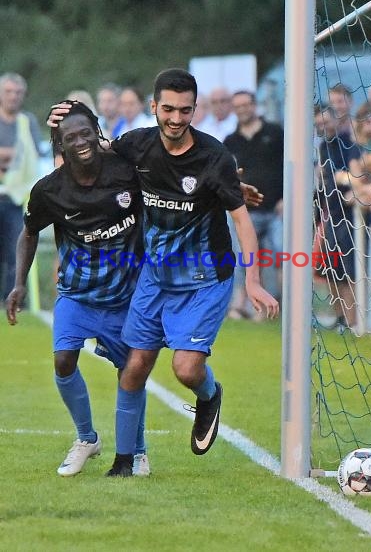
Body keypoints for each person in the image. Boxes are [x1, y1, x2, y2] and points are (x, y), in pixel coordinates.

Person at [105, 68, 279, 474]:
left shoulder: (215, 156)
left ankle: (209, 394)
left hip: (206, 278)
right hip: (156, 275)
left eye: (185, 110)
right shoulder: (136, 144)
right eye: (168, 109)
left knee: (185, 368)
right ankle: (126, 459)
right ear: (154, 107)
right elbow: (94, 156)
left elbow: (243, 224)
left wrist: (253, 281)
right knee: (134, 366)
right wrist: (71, 118)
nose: (176, 118)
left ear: (195, 110)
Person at [6, 100, 149, 478]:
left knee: (129, 371)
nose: (81, 141)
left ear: (97, 133)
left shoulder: (126, 172)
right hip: (75, 294)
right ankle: (87, 438)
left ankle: (137, 452)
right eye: (71, 137)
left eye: (86, 132)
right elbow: (29, 232)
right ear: (61, 145)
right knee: (63, 359)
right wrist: (19, 284)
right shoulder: (50, 190)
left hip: (125, 296)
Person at [224, 90, 284, 320]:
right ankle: (240, 304)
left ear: (254, 105)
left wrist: (284, 198)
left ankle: (278, 305)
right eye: (237, 106)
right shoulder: (230, 141)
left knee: (283, 256)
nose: (243, 109)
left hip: (277, 207)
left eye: (246, 104)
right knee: (243, 258)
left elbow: (288, 166)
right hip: (245, 211)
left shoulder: (275, 133)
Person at [316, 105, 363, 329]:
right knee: (330, 268)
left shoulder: (349, 144)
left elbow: (356, 175)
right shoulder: (323, 146)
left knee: (349, 269)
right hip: (331, 213)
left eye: (326, 122)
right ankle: (340, 317)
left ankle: (352, 320)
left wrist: (344, 178)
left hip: (349, 215)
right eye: (319, 124)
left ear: (336, 120)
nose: (322, 127)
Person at [0, 72, 40, 303]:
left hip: (16, 200)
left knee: (16, 255)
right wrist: (13, 155)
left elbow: (32, 155)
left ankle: (13, 302)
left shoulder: (27, 122)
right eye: (8, 92)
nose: (13, 97)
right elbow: (20, 156)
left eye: (17, 93)